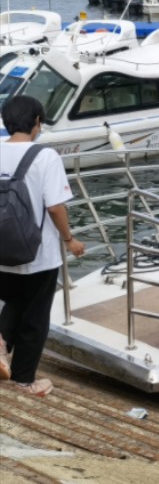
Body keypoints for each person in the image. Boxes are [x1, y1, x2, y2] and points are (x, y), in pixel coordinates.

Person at [0, 95, 86, 397]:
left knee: (14, 300)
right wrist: (69, 239)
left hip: (1, 250)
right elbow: (55, 207)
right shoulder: (45, 156)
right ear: (37, 121)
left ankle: (0, 343)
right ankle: (25, 381)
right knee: (35, 317)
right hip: (39, 254)